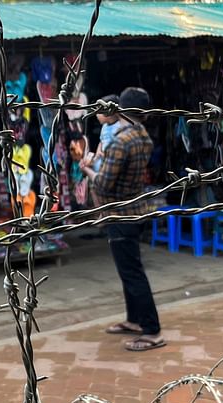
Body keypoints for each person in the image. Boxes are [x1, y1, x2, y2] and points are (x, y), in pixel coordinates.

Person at [80, 88, 165, 352]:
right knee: (129, 270)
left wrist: (87, 169)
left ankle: (152, 331)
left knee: (132, 273)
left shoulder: (120, 141)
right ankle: (134, 320)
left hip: (120, 213)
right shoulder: (143, 137)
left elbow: (104, 185)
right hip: (136, 208)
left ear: (121, 109)